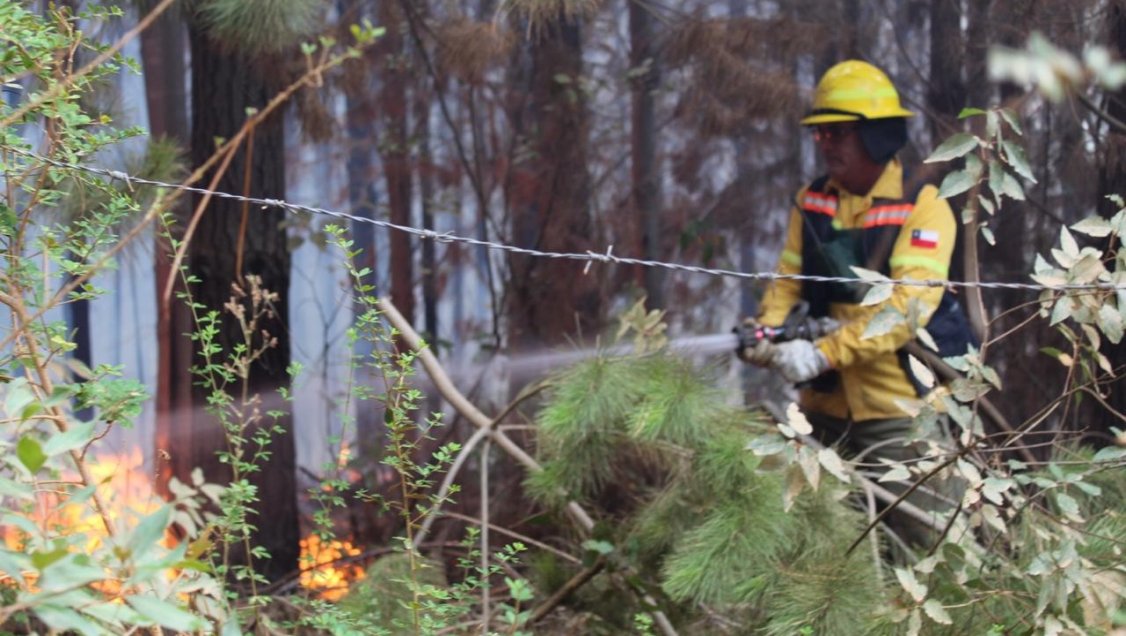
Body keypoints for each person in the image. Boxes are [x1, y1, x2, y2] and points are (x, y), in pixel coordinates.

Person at [739, 60, 976, 549]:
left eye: (837, 133)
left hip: (901, 408)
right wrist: (767, 332)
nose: (824, 144)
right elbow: (787, 280)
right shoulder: (812, 201)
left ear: (877, 136)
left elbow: (907, 308)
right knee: (829, 550)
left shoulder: (923, 204)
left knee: (929, 543)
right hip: (823, 408)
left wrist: (822, 353)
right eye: (820, 134)